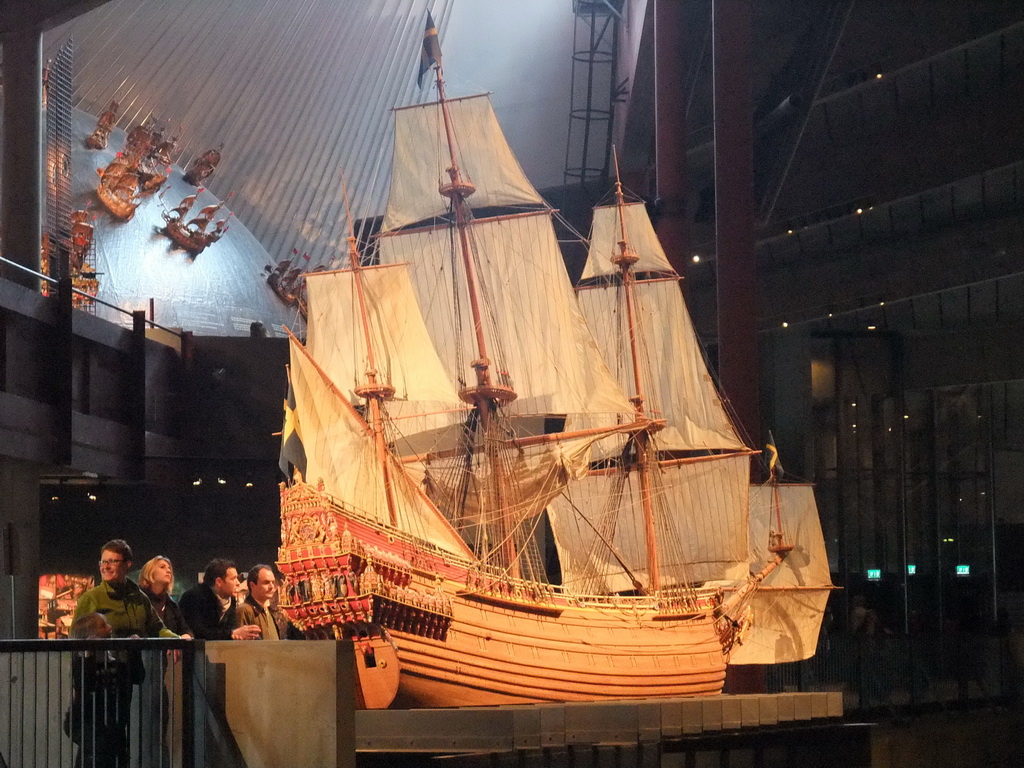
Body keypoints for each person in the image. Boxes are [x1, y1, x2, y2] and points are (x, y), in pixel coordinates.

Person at [72, 539, 180, 641]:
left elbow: (158, 629)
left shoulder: (140, 598)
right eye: (103, 562)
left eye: (112, 561)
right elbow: (75, 638)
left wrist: (178, 640)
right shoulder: (91, 598)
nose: (106, 567)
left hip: (136, 661)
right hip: (104, 661)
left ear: (127, 564)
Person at [65, 612, 131, 768]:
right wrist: (89, 653)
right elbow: (85, 686)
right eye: (103, 626)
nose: (109, 628)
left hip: (109, 723)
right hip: (90, 721)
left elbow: (135, 676)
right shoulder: (82, 661)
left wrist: (133, 651)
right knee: (96, 756)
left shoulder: (113, 658)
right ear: (91, 635)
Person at [179, 558, 261, 640]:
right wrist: (231, 634)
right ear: (219, 582)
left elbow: (230, 629)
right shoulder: (193, 597)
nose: (238, 583)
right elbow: (198, 633)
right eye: (233, 579)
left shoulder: (231, 599)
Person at [236, 564, 299, 640]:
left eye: (273, 582)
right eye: (266, 582)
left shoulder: (268, 611)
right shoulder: (245, 610)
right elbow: (240, 646)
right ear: (252, 585)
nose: (271, 586)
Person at [138, 556, 191, 637]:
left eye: (169, 568)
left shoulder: (171, 604)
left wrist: (187, 635)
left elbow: (184, 629)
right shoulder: (137, 599)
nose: (169, 571)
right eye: (162, 567)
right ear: (150, 572)